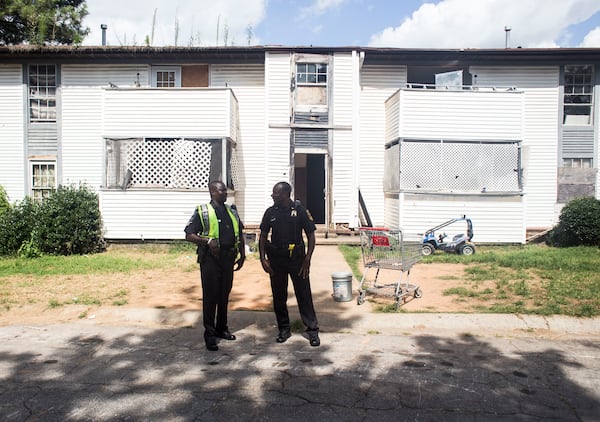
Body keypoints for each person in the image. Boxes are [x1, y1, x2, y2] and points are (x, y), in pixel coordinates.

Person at [184, 180, 245, 351]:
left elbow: (239, 232)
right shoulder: (202, 211)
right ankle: (210, 334)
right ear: (212, 192)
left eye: (225, 191)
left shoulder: (231, 210)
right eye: (221, 191)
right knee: (211, 297)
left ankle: (222, 328)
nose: (225, 193)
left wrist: (242, 255)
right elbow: (189, 234)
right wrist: (207, 241)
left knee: (224, 295)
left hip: (228, 258)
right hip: (210, 260)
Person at [259, 181, 320, 347]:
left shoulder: (300, 211)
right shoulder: (270, 212)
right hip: (276, 260)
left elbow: (311, 235)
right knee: (279, 296)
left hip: (297, 260)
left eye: (276, 193)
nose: (273, 195)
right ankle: (284, 329)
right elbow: (263, 236)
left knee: (304, 294)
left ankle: (312, 330)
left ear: (285, 194)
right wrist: (263, 259)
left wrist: (308, 258)